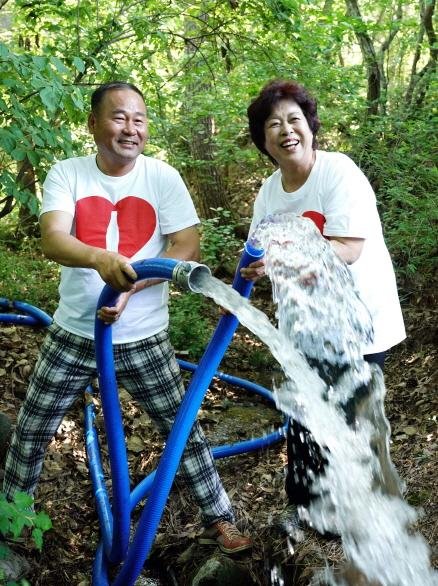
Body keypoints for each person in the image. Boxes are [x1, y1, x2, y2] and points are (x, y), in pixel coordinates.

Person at [2, 81, 251, 555]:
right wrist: (100, 260)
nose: (130, 128)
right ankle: (13, 521)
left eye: (139, 119)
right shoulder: (68, 173)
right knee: (32, 428)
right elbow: (52, 238)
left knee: (181, 428)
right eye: (119, 117)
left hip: (144, 337)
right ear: (93, 124)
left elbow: (186, 246)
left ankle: (219, 517)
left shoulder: (162, 177)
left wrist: (132, 286)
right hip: (74, 332)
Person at [241, 79, 406, 535]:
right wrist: (252, 276)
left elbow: (348, 248)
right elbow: (256, 253)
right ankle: (308, 507)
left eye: (295, 119)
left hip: (358, 322)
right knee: (303, 414)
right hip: (305, 325)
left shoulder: (339, 173)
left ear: (310, 127)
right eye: (274, 124)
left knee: (352, 415)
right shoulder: (270, 192)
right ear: (264, 140)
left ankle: (366, 512)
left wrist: (289, 262)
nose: (286, 130)